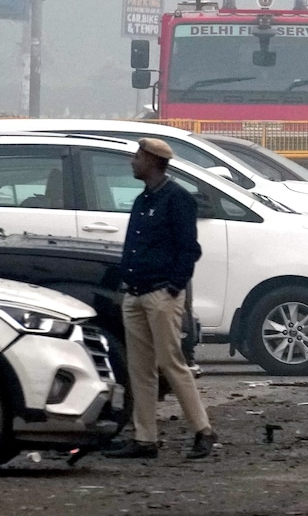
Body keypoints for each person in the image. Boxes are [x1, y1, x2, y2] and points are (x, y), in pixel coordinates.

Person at [105, 138, 217, 460]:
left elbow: (189, 249)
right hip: (136, 294)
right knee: (139, 370)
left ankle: (203, 430)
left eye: (138, 157)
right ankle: (145, 439)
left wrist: (173, 287)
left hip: (160, 295)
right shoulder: (143, 199)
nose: (132, 162)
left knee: (172, 364)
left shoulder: (177, 199)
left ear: (153, 161)